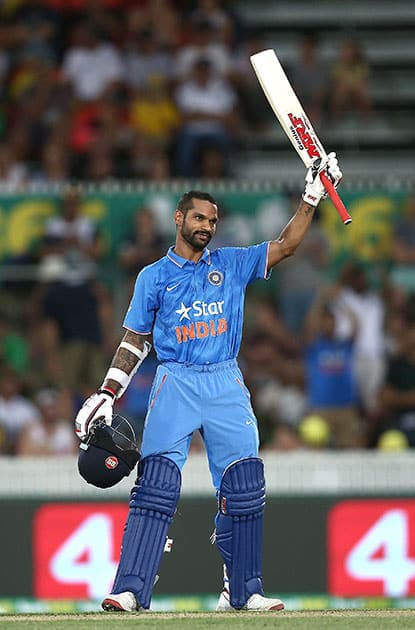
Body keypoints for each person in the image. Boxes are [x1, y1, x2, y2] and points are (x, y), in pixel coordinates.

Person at [74, 152, 342, 612]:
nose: (207, 225)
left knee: (245, 483)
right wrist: (107, 391)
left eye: (213, 219)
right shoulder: (153, 277)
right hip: (175, 380)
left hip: (224, 380)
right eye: (198, 217)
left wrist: (312, 195)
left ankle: (243, 592)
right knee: (156, 483)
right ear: (179, 218)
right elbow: (135, 341)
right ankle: (131, 590)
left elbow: (286, 245)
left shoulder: (233, 264)